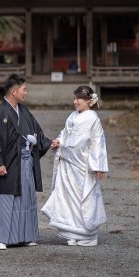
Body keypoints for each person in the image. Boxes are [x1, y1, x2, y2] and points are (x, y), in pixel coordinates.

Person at [0, 74, 52, 250]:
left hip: (26, 161)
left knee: (26, 198)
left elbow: (37, 133)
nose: (26, 92)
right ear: (14, 92)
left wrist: (49, 143)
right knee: (8, 198)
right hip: (9, 162)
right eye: (24, 89)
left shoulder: (24, 111)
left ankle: (26, 236)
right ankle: (3, 238)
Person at [41, 85, 108, 247]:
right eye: (75, 98)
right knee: (67, 198)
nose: (76, 102)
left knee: (82, 198)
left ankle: (88, 236)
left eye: (79, 99)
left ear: (89, 101)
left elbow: (97, 142)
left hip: (83, 164)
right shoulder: (72, 116)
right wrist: (59, 141)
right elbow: (65, 133)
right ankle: (71, 233)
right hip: (67, 162)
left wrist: (98, 165)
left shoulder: (93, 118)